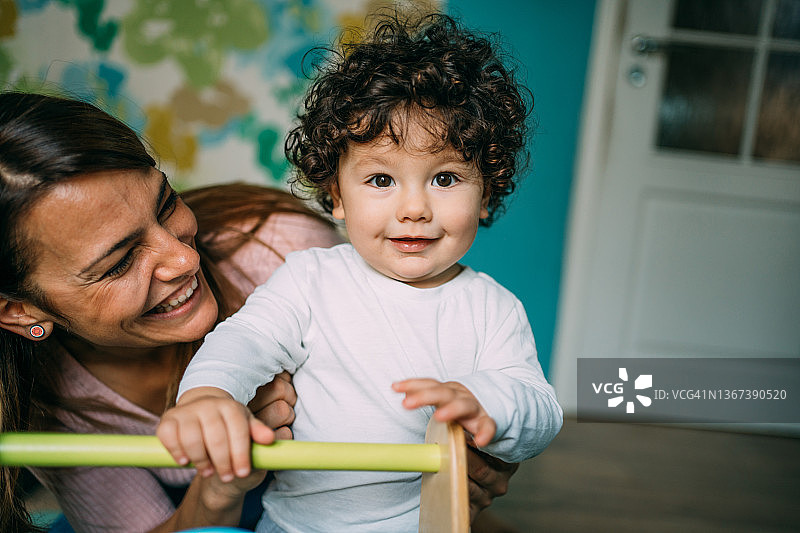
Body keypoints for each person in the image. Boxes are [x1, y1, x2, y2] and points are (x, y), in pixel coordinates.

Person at [0, 91, 522, 533]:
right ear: (20, 310)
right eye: (119, 263)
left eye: (165, 204)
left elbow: (434, 401)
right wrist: (221, 475)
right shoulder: (46, 403)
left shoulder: (280, 248)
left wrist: (478, 451)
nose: (184, 259)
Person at [158, 12, 563, 533]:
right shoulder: (309, 278)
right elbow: (246, 340)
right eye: (381, 180)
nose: (414, 209)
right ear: (337, 197)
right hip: (294, 526)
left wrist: (489, 402)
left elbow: (541, 412)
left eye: (444, 179)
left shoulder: (493, 309)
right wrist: (209, 394)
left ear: (486, 194)